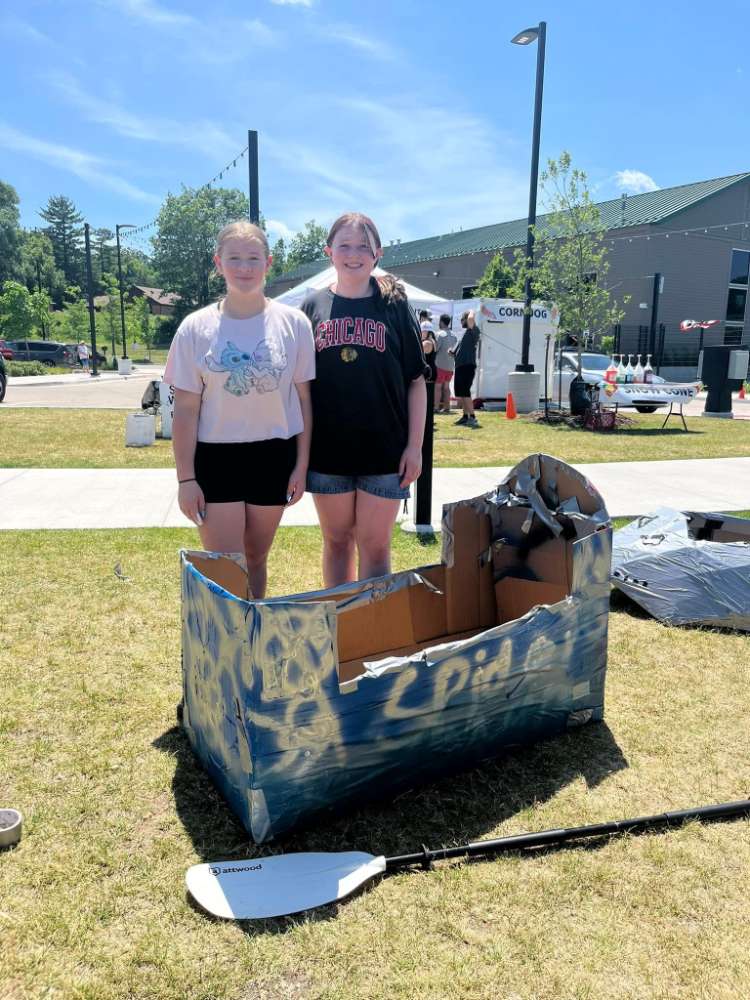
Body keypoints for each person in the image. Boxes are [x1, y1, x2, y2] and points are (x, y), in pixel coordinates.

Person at [164, 220, 315, 598]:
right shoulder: (195, 328)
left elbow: (303, 401)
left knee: (257, 558)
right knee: (224, 564)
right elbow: (185, 409)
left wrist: (301, 465)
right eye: (234, 258)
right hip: (216, 457)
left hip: (274, 455)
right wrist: (186, 480)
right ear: (219, 263)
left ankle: (252, 639)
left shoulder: (294, 324)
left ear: (269, 262)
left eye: (253, 258)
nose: (244, 267)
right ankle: (223, 650)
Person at [301, 212, 428, 588]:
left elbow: (416, 382)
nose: (353, 254)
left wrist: (415, 448)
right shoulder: (311, 307)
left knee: (375, 547)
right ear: (329, 252)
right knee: (337, 543)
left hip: (384, 453)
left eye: (362, 246)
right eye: (344, 246)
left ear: (377, 254)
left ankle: (372, 634)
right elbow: (301, 390)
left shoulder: (394, 305)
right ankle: (341, 626)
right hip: (328, 453)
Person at [452, 309, 480, 429]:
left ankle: (472, 417)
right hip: (459, 366)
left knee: (465, 391)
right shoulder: (464, 333)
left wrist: (471, 310)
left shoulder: (473, 330)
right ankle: (465, 416)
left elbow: (470, 319)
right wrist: (453, 353)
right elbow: (458, 351)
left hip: (467, 366)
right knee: (460, 392)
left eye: (462, 319)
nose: (461, 321)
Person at [433, 313, 457, 414]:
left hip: (440, 365)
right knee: (447, 387)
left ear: (441, 322)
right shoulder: (454, 335)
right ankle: (447, 407)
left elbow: (435, 349)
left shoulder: (439, 334)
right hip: (450, 366)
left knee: (438, 387)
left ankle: (436, 407)